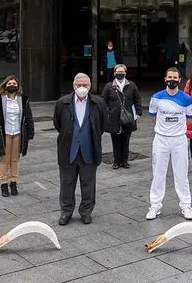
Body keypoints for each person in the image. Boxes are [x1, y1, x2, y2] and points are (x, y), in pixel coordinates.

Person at [53, 73, 107, 225]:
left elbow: (102, 125)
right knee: (66, 183)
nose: (82, 88)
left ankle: (86, 212)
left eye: (85, 85)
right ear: (73, 85)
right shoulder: (63, 102)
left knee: (88, 184)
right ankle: (66, 212)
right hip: (68, 150)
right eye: (79, 85)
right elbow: (58, 123)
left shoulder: (98, 103)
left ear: (90, 86)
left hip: (89, 150)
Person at [146, 67, 192, 221]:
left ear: (179, 80)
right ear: (165, 79)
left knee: (181, 174)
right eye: (170, 77)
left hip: (179, 140)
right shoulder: (156, 98)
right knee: (158, 174)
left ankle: (186, 205)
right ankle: (155, 205)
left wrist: (177, 130)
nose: (172, 80)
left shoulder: (186, 99)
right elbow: (153, 116)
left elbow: (190, 119)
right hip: (161, 139)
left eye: (175, 77)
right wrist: (164, 129)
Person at [0, 76, 35, 197]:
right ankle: (3, 183)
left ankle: (13, 182)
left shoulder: (23, 100)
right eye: (9, 83)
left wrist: (30, 132)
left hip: (18, 133)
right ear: (5, 85)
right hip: (4, 134)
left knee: (15, 159)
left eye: (14, 83)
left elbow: (28, 116)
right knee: (4, 159)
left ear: (18, 86)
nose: (12, 85)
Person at [101, 64, 142, 170]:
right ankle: (116, 161)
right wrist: (108, 111)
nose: (120, 74)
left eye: (122, 72)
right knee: (115, 141)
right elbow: (104, 100)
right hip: (114, 117)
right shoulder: (109, 86)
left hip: (128, 117)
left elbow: (137, 98)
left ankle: (124, 161)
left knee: (126, 140)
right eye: (118, 72)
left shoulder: (131, 85)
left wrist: (138, 112)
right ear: (114, 73)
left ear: (125, 73)